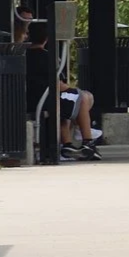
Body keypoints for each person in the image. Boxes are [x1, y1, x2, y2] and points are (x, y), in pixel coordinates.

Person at [24, 21, 101, 160]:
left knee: (67, 102)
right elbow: (56, 84)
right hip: (44, 100)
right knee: (81, 97)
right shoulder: (48, 57)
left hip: (30, 98)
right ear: (47, 38)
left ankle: (68, 144)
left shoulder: (23, 56)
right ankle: (87, 140)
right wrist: (73, 89)